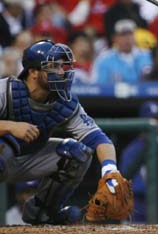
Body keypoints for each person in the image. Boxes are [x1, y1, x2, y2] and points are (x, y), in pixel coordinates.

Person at [0, 40, 125, 224]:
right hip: (4, 155)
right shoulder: (5, 90)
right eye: (53, 66)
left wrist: (110, 170)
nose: (60, 72)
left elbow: (98, 138)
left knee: (77, 153)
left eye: (61, 66)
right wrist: (10, 126)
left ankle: (42, 212)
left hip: (27, 159)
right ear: (33, 72)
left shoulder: (63, 102)